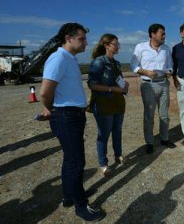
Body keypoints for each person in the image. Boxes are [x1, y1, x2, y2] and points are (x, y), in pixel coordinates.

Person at [39, 23, 105, 221]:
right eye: (82, 39)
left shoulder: (69, 58)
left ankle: (69, 196)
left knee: (70, 159)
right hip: (66, 115)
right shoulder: (58, 58)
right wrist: (48, 108)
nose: (86, 42)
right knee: (76, 162)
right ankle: (81, 206)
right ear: (69, 38)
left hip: (72, 114)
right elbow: (44, 91)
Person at [130, 23, 176, 154]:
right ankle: (149, 143)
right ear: (152, 34)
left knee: (164, 115)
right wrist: (146, 72)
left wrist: (170, 71)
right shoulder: (140, 47)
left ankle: (164, 139)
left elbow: (170, 64)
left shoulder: (166, 48)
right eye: (162, 33)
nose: (164, 36)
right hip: (148, 85)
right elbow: (133, 65)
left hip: (163, 83)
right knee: (149, 116)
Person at [88, 34, 129, 176]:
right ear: (106, 45)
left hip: (118, 103)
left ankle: (118, 155)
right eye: (115, 44)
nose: (118, 46)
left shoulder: (116, 64)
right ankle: (103, 163)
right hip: (103, 104)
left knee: (117, 131)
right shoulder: (98, 63)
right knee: (104, 134)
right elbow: (92, 85)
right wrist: (113, 89)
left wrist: (124, 86)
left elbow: (120, 81)